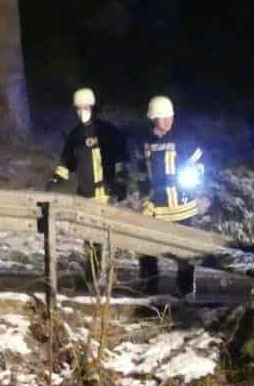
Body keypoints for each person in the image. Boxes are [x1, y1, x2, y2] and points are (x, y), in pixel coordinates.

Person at [47, 87, 128, 285]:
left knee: (103, 236)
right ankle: (92, 277)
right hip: (85, 194)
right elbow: (67, 162)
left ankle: (103, 278)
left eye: (85, 107)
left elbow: (120, 159)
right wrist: (56, 180)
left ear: (93, 108)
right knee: (89, 238)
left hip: (105, 193)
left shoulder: (107, 132)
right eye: (78, 108)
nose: (81, 112)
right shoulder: (75, 135)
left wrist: (120, 182)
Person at [135, 94, 203, 297]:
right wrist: (145, 196)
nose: (167, 121)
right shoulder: (146, 143)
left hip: (182, 204)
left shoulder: (184, 138)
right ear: (153, 118)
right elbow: (142, 172)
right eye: (163, 118)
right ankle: (149, 287)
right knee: (146, 247)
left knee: (185, 251)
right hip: (157, 205)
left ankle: (185, 291)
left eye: (170, 117)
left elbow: (199, 162)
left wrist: (196, 175)